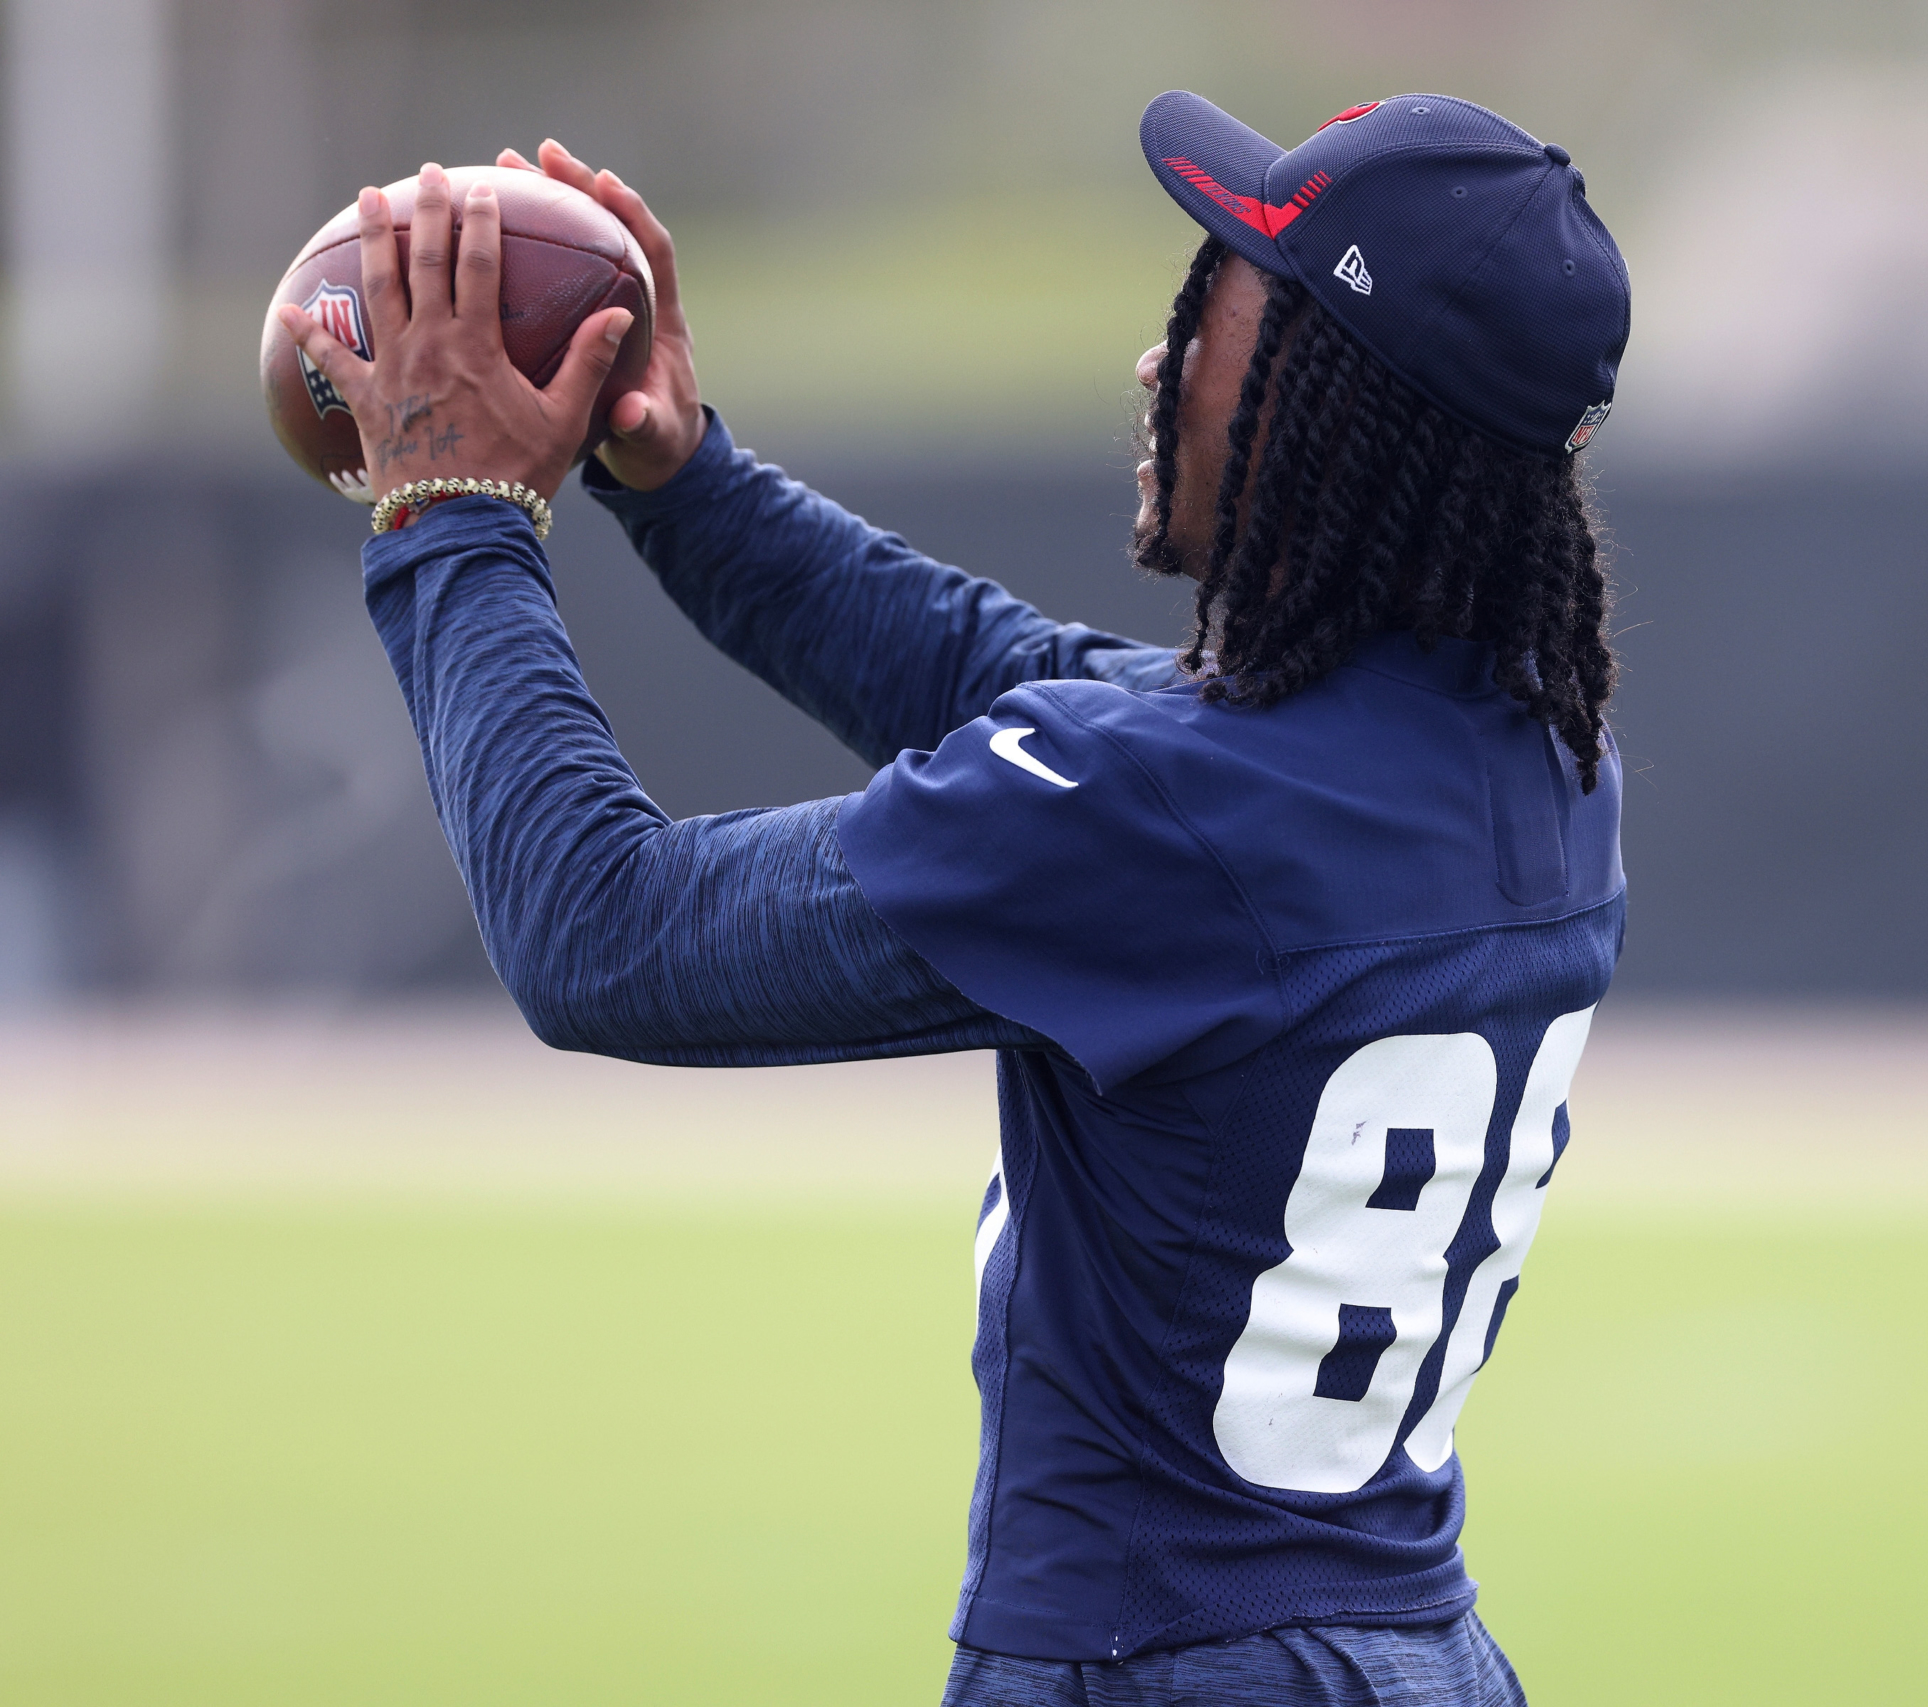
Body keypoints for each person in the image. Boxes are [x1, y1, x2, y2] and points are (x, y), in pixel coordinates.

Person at [278, 89, 1630, 1707]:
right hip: (1422, 1656)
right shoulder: (1544, 757)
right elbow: (994, 676)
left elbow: (602, 933)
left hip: (1162, 1665)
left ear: (1334, 406)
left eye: (1217, 313)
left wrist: (453, 514)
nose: (1156, 363)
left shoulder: (1164, 812)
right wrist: (684, 474)